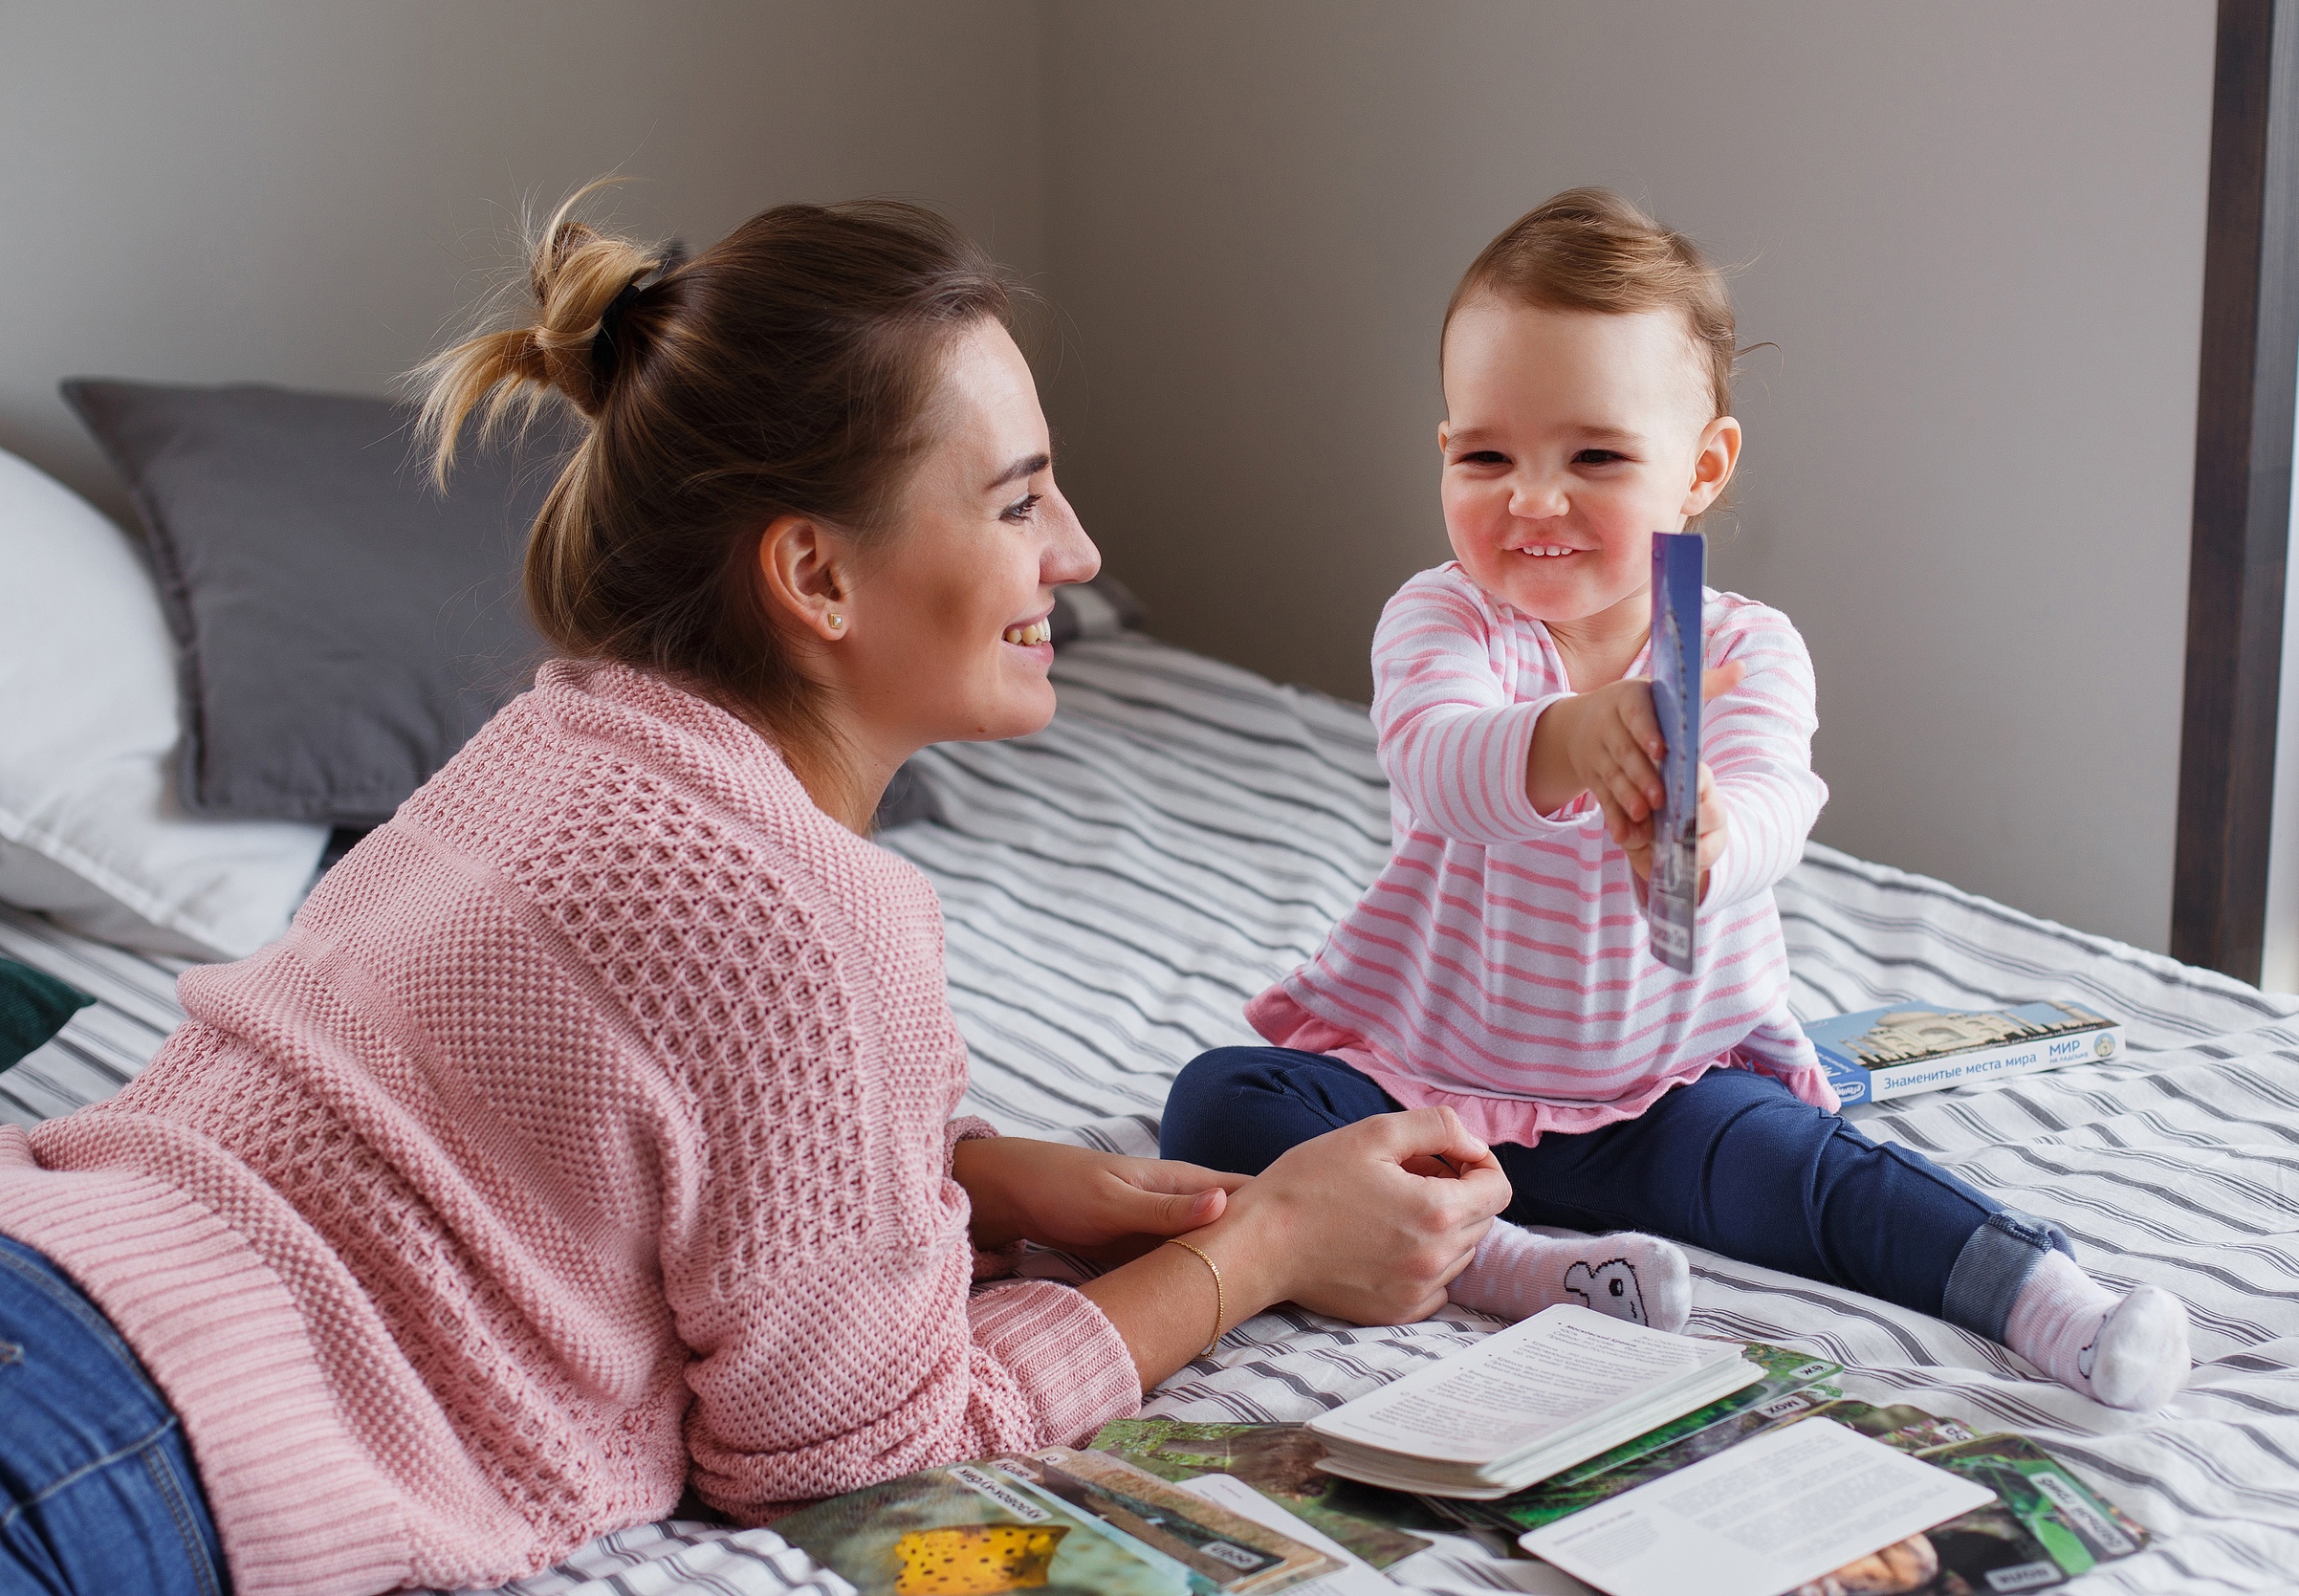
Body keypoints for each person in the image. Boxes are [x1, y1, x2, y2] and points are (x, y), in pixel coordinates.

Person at [0, 193, 1511, 1596]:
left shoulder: (552, 742)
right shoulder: (800, 917)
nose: (1079, 551)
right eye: (1016, 502)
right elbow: (865, 1468)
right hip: (117, 1424)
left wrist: (965, 1172)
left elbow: (574, 1134)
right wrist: (1261, 1252)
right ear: (815, 575)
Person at [1160, 188, 2192, 1411]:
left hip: (1666, 1086)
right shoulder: (1443, 619)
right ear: (1444, 455)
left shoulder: (1743, 648)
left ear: (1700, 467)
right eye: (1487, 455)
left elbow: (1774, 796)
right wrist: (1565, 738)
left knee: (1819, 1172)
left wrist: (1708, 833)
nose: (1532, 498)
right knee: (1220, 1099)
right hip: (1431, 1083)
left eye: (1593, 455)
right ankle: (1511, 1267)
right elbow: (1435, 761)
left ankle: (2047, 1301)